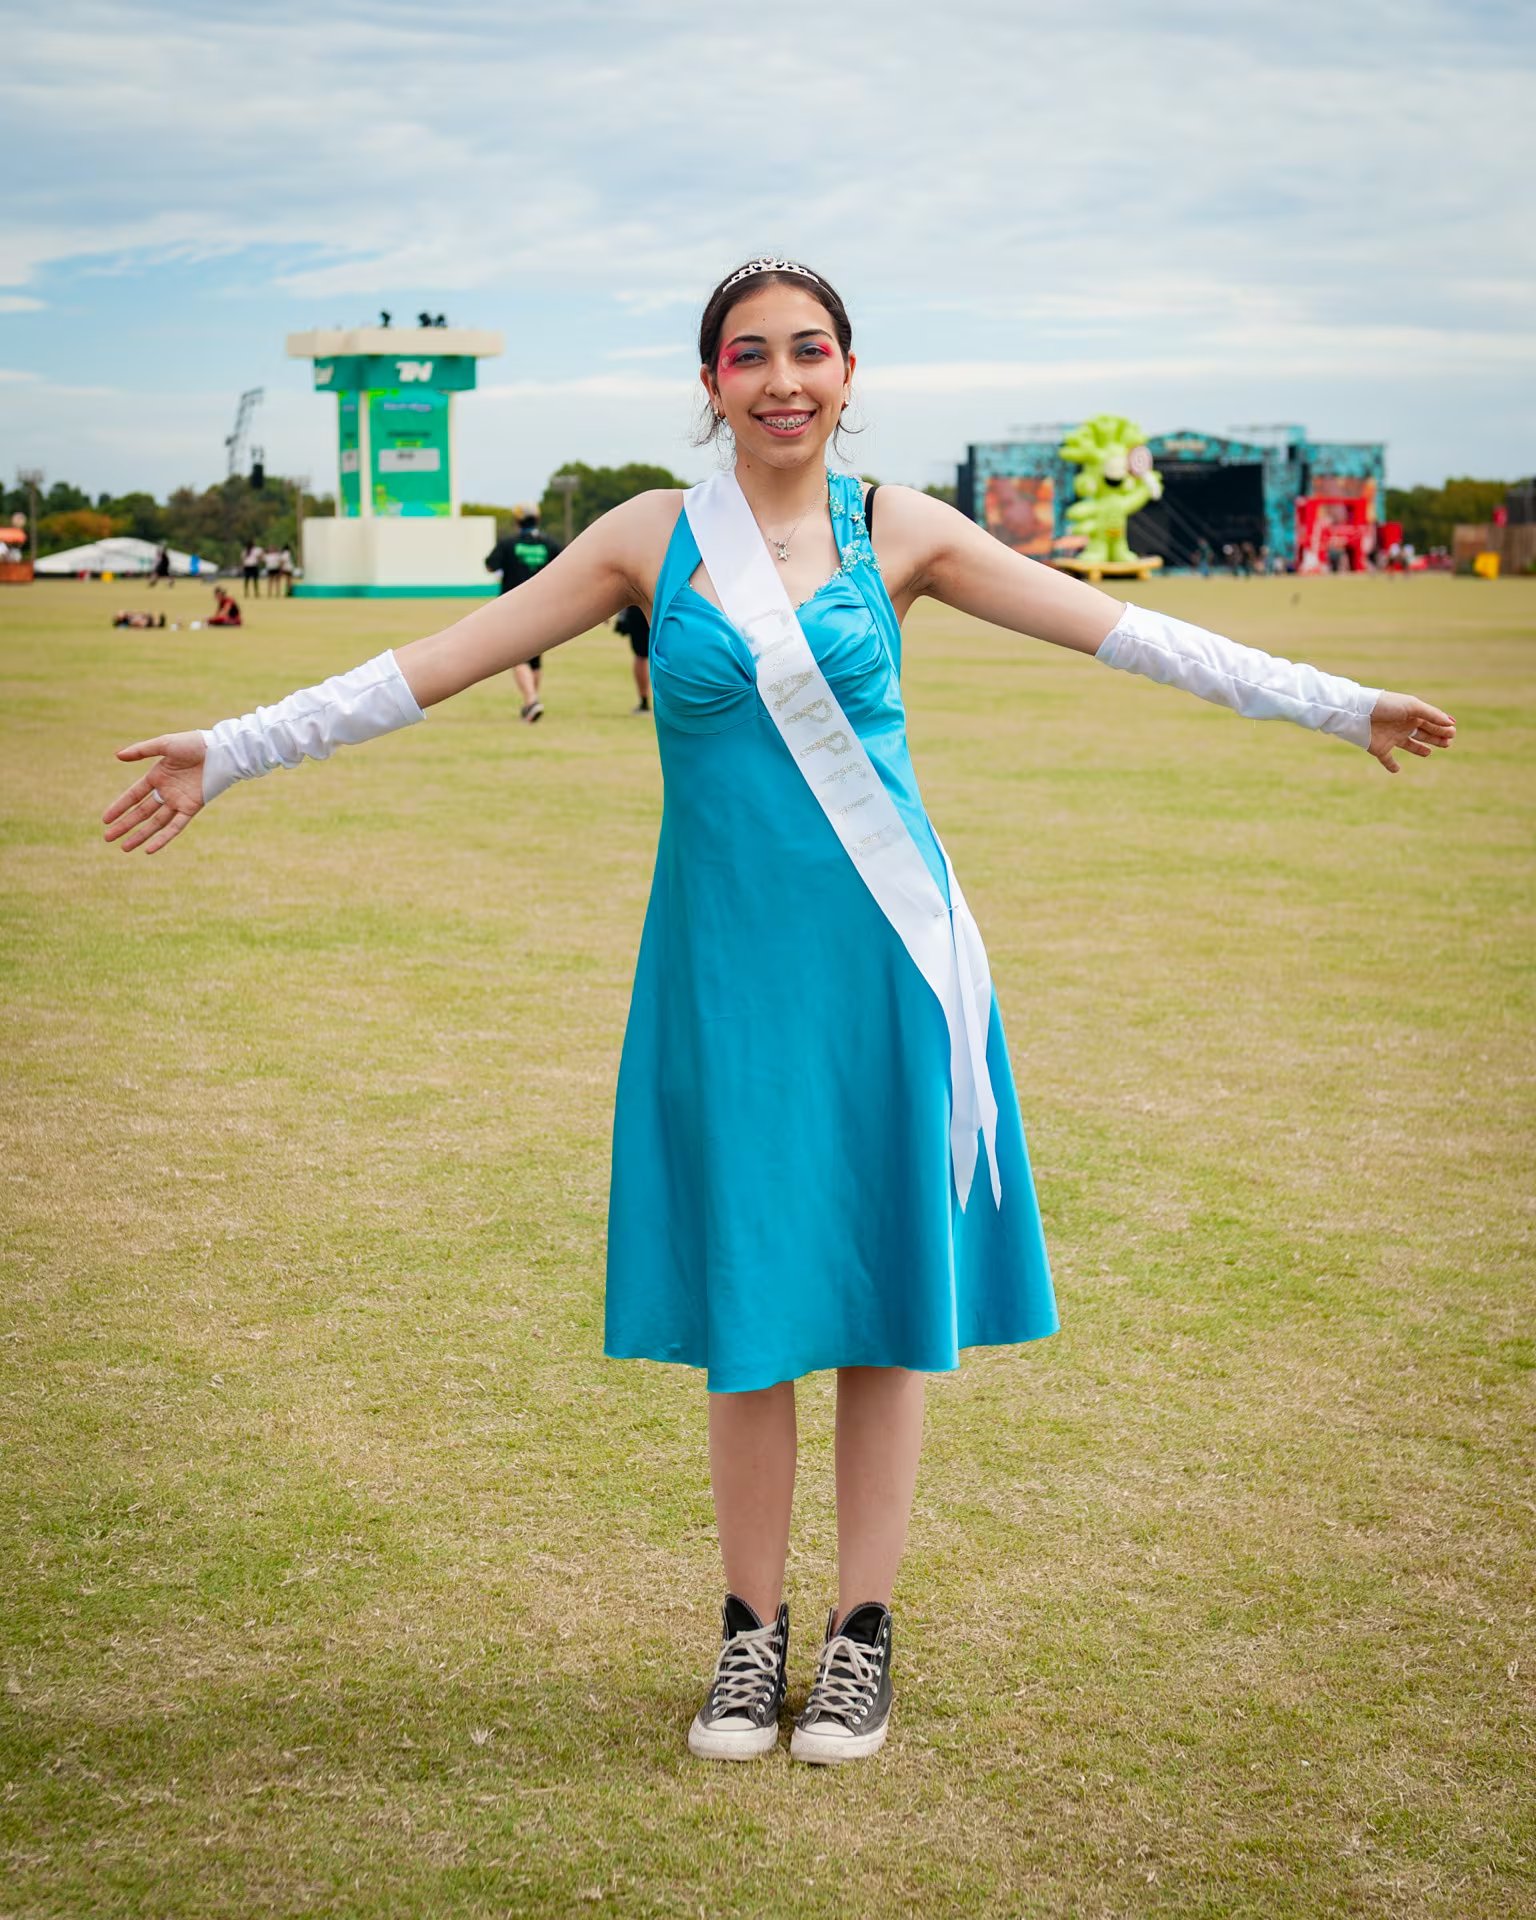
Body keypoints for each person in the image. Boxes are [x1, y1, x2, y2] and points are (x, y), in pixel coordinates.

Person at [102, 257, 1455, 1770]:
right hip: (723, 972)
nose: (784, 380)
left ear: (852, 370)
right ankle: (750, 1643)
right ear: (710, 383)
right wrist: (231, 745)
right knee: (750, 1309)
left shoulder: (906, 534)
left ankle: (860, 1641)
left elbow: (1123, 636)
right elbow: (438, 666)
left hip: (889, 959)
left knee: (881, 1301)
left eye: (810, 351)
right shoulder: (647, 539)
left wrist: (1341, 703)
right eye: (751, 357)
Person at [484, 508, 563, 721]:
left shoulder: (508, 543)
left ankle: (531, 701)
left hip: (513, 607)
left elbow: (490, 566)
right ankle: (531, 704)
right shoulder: (550, 544)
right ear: (537, 519)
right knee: (535, 658)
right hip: (544, 606)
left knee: (516, 655)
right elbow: (565, 566)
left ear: (517, 521)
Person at [614, 604, 651, 712]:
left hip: (639, 606)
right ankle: (645, 702)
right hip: (664, 603)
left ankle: (644, 703)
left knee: (641, 655)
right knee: (642, 655)